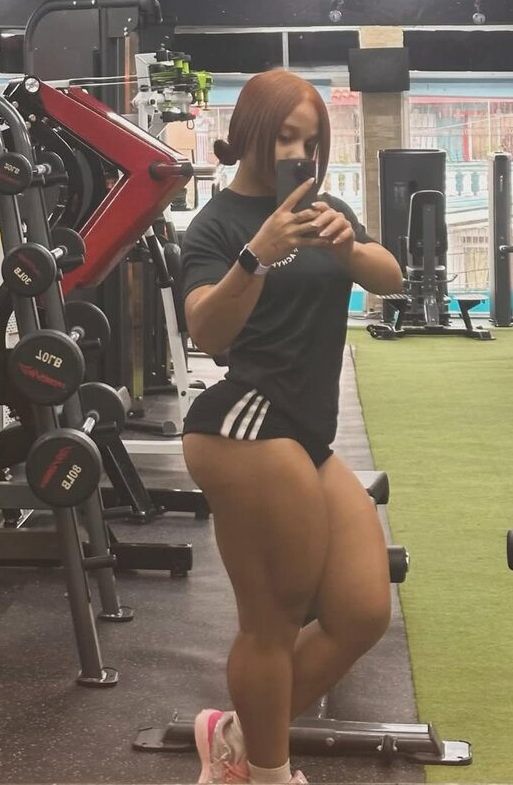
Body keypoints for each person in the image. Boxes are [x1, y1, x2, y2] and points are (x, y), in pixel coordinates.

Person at [179, 71, 404, 785]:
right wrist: (256, 256)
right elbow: (206, 330)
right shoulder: (217, 225)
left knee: (362, 612)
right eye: (285, 138)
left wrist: (348, 248)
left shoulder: (325, 211)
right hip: (245, 425)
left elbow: (390, 277)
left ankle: (234, 738)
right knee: (273, 621)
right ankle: (265, 775)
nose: (299, 155)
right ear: (249, 131)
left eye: (310, 142)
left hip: (306, 432)